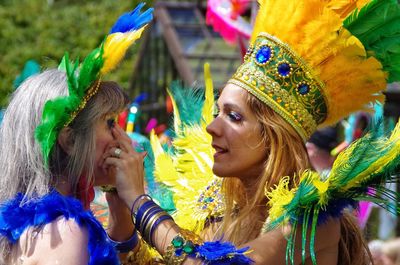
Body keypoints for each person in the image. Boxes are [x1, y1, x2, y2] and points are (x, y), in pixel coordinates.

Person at [106, 0, 400, 264]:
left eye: (233, 117)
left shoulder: (310, 219)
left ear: (274, 137)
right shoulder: (209, 199)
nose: (211, 127)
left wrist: (139, 202)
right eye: (217, 112)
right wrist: (121, 215)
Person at [0, 3, 152, 265]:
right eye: (109, 123)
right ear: (70, 140)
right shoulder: (67, 231)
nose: (122, 138)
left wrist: (119, 200)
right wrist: (139, 200)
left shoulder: (26, 228)